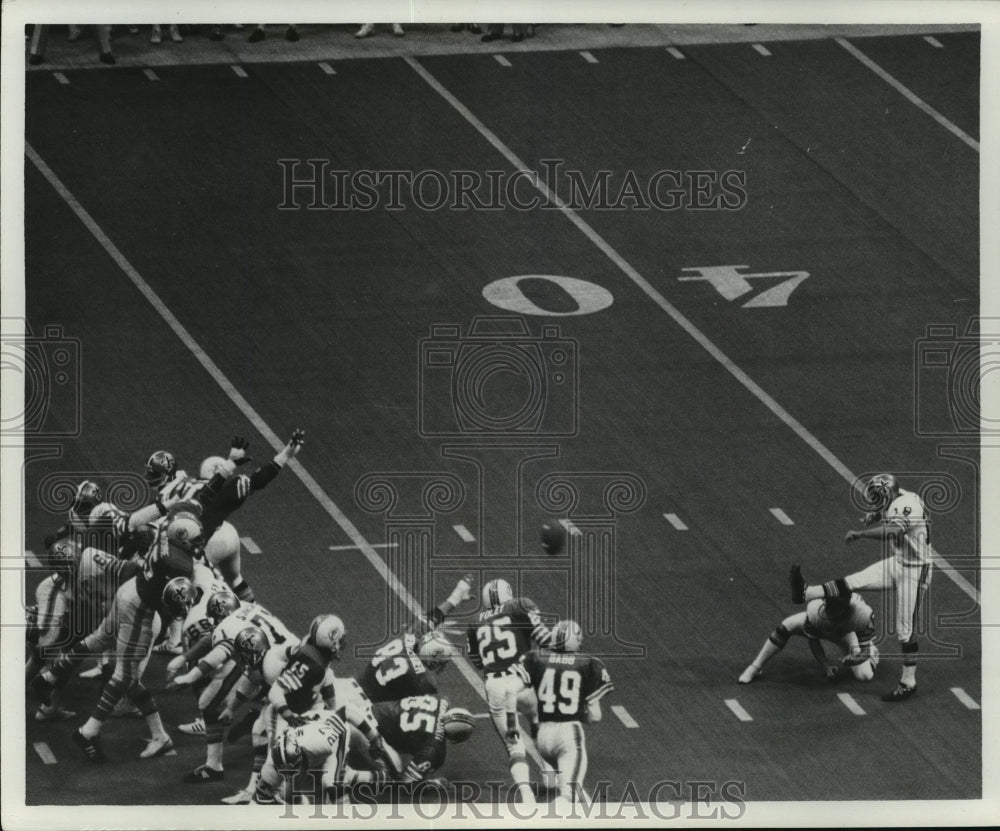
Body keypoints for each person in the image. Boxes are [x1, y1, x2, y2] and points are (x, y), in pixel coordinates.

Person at [791, 473, 931, 701]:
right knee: (850, 582)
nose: (876, 500)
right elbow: (887, 512)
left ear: (889, 493)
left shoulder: (906, 506)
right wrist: (874, 515)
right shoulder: (901, 496)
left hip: (916, 570)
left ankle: (908, 682)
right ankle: (806, 592)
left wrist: (861, 534)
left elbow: (893, 531)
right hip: (898, 562)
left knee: (905, 629)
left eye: (878, 496)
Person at [169, 593, 295, 783]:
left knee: (211, 703)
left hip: (274, 672)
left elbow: (222, 650)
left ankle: (224, 771)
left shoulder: (227, 626)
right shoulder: (245, 606)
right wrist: (184, 657)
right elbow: (216, 638)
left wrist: (191, 675)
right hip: (292, 656)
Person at [466, 578, 553, 806]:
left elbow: (477, 661)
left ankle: (526, 796)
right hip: (522, 679)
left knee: (514, 745)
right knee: (538, 721)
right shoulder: (520, 605)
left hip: (495, 686)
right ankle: (550, 774)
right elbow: (545, 639)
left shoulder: (475, 622)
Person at [522, 620, 613, 804]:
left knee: (575, 790)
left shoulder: (535, 658)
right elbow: (595, 717)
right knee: (568, 795)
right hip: (568, 734)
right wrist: (579, 712)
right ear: (576, 641)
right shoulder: (589, 664)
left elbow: (518, 692)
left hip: (542, 737)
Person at [739, 592, 879, 684]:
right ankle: (755, 667)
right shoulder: (815, 612)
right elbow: (813, 639)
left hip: (847, 633)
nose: (832, 615)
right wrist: (825, 665)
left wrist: (856, 658)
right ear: (825, 603)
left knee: (865, 675)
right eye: (830, 609)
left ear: (847, 607)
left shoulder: (861, 615)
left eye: (837, 611)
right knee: (786, 626)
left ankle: (875, 654)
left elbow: (864, 650)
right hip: (821, 626)